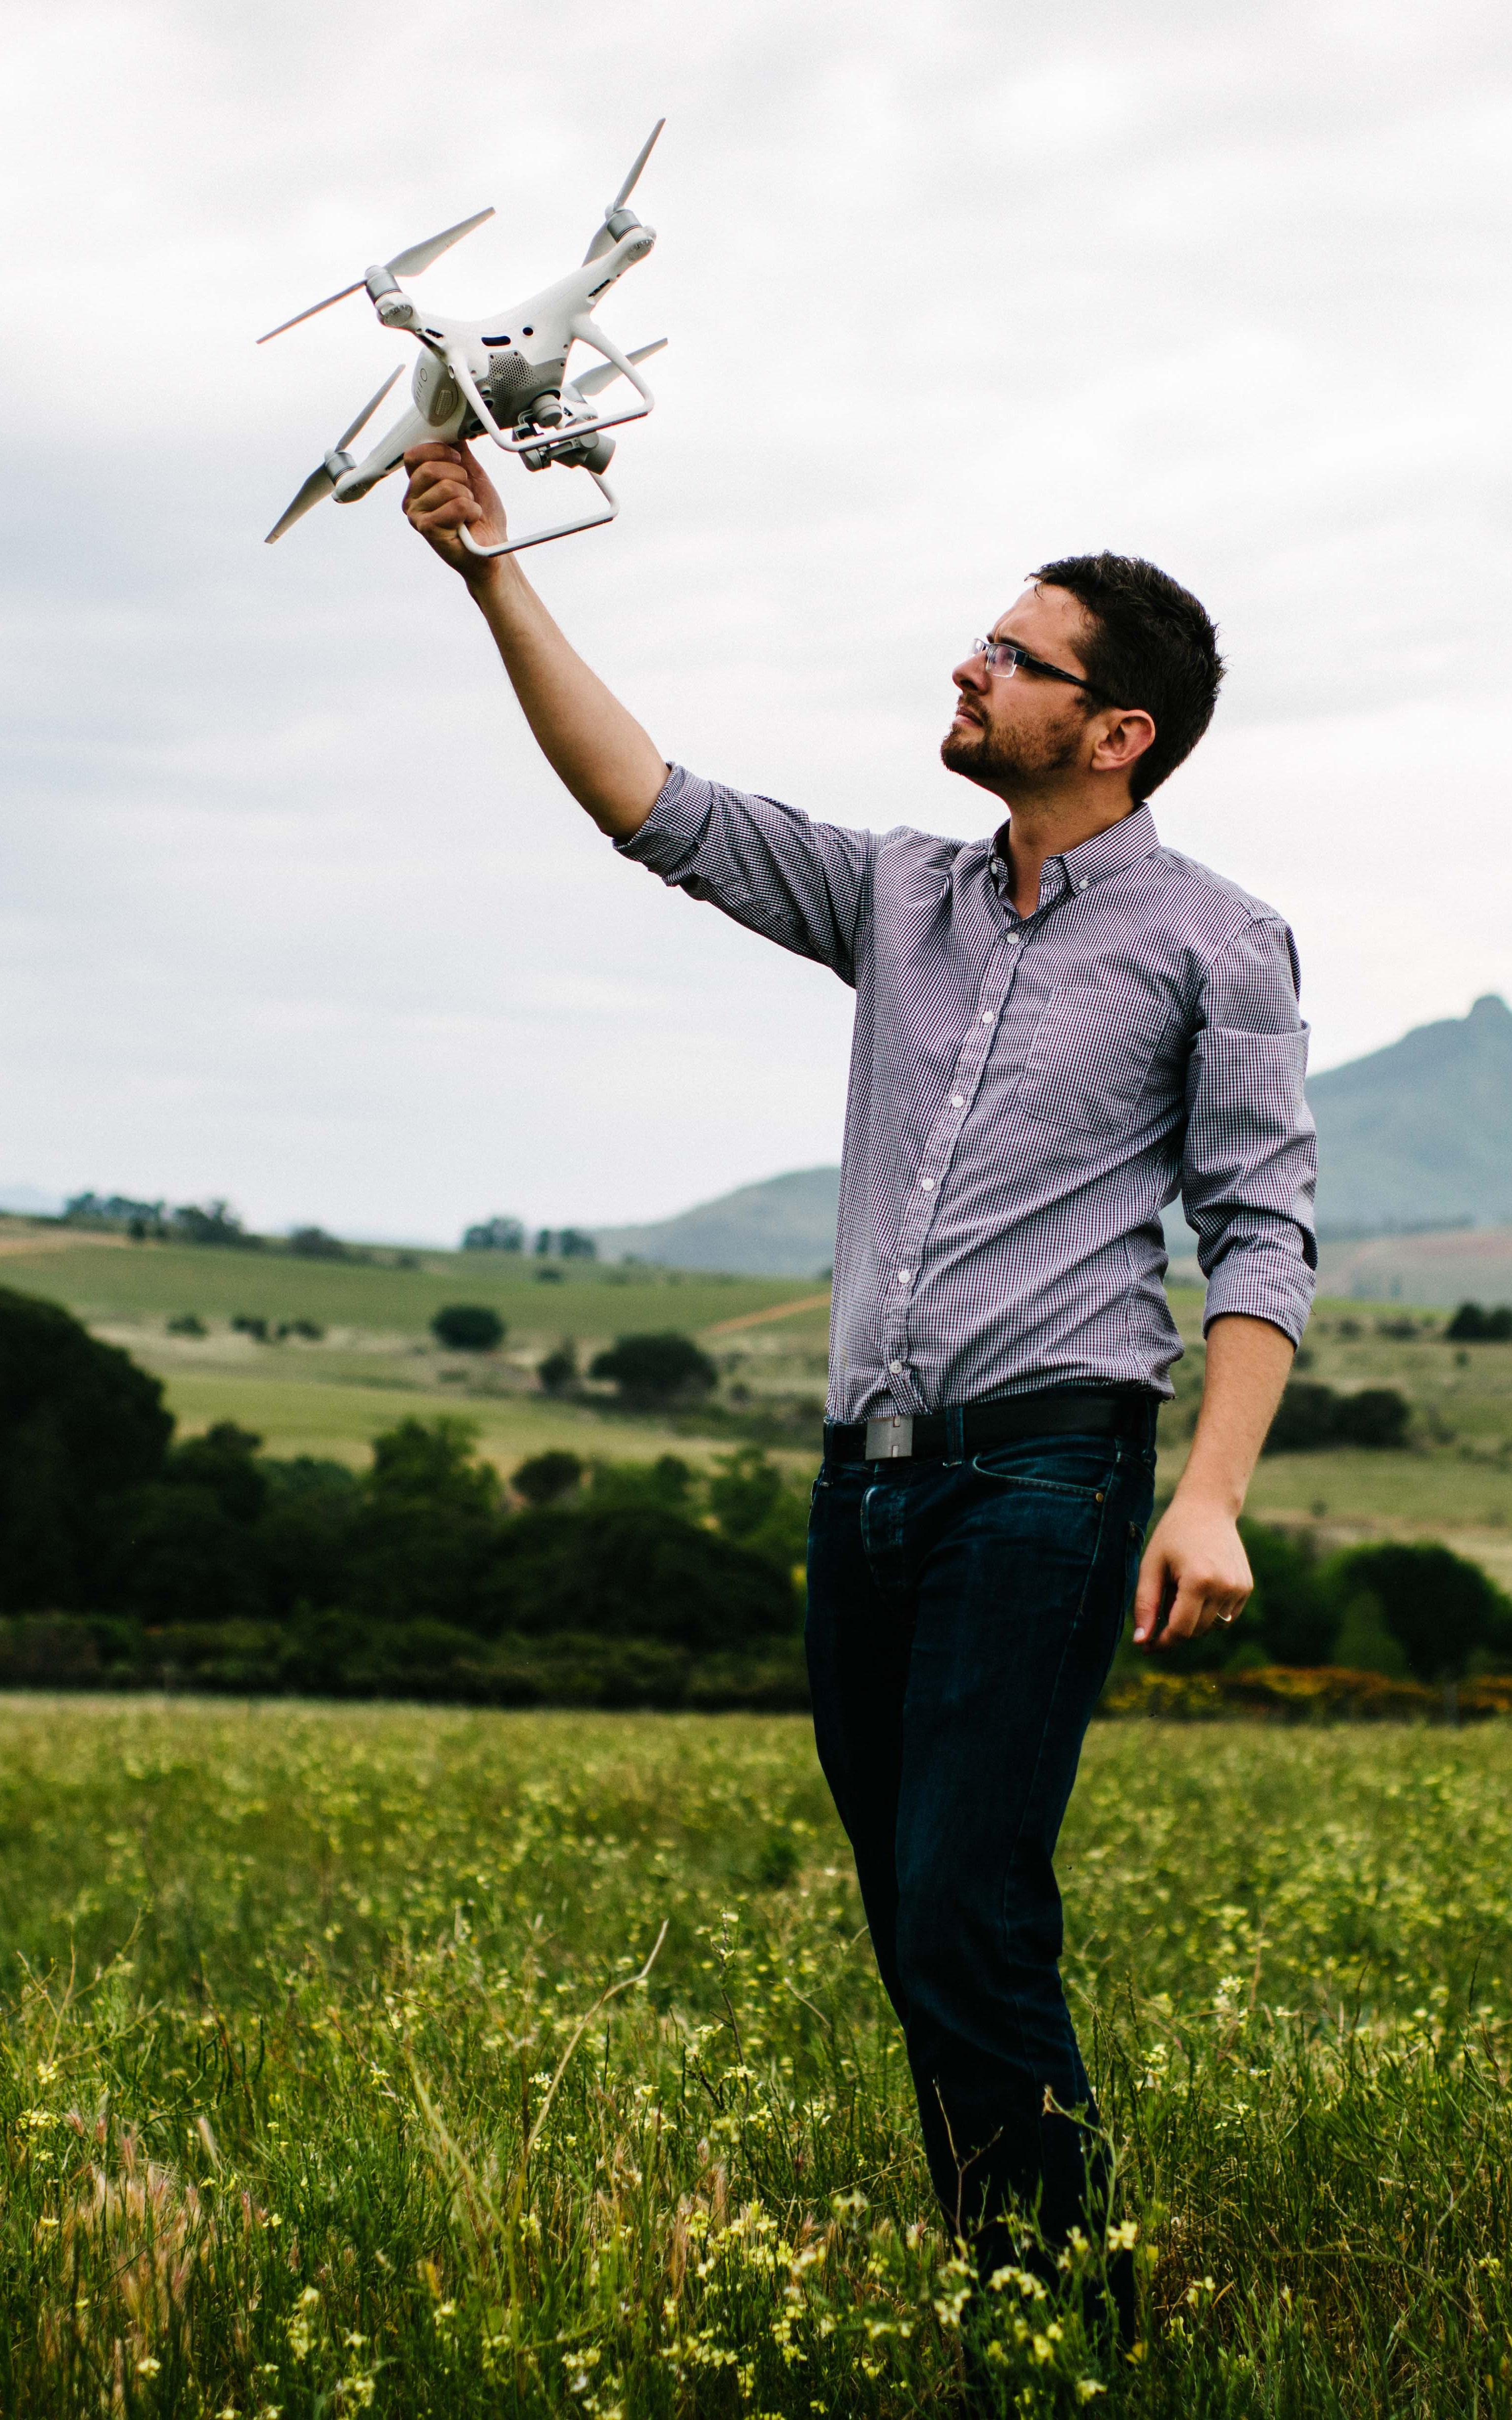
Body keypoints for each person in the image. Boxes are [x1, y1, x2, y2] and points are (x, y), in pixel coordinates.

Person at [400, 443, 1317, 2331]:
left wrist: (1209, 1494)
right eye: (983, 640)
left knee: (969, 1911)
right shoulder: (898, 897)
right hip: (869, 1490)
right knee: (921, 1924)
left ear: (1115, 729)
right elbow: (645, 801)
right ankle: (1033, 2292)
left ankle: (1065, 2326)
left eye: (1015, 655)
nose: (969, 669)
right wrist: (492, 572)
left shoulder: (1215, 940)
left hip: (1047, 1478)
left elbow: (1263, 1229)